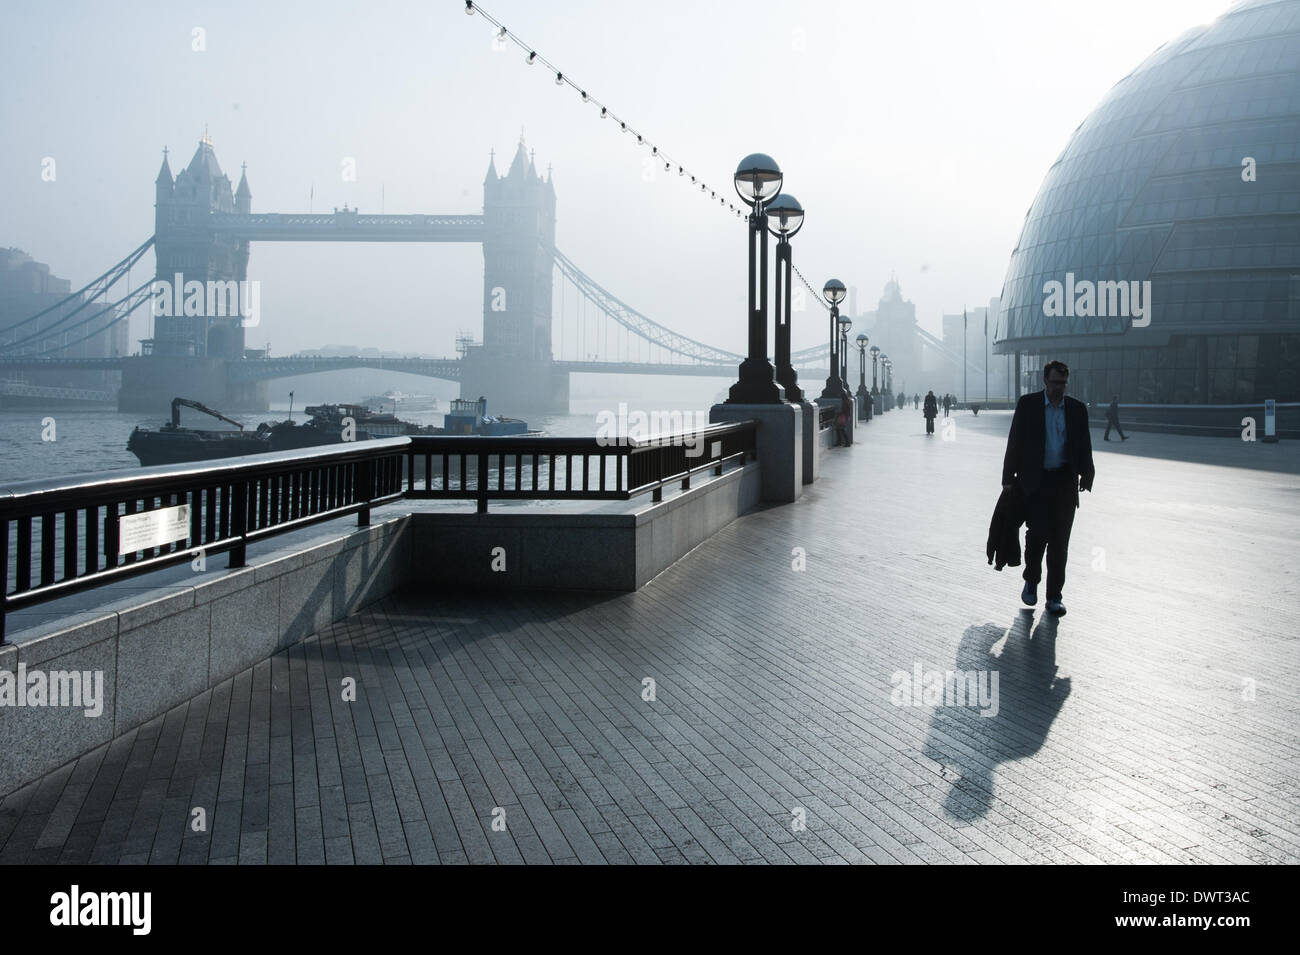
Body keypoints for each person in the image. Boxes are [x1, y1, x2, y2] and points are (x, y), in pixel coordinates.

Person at [1001, 360, 1095, 616]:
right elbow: (1015, 441)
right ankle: (1031, 579)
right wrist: (1008, 478)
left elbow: (1084, 444)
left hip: (1064, 484)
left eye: (1063, 383)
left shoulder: (1076, 409)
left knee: (1059, 543)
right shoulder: (1028, 405)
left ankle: (1054, 597)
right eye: (1055, 383)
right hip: (1036, 483)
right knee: (1037, 536)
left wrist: (1088, 473)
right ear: (1044, 381)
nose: (1059, 388)